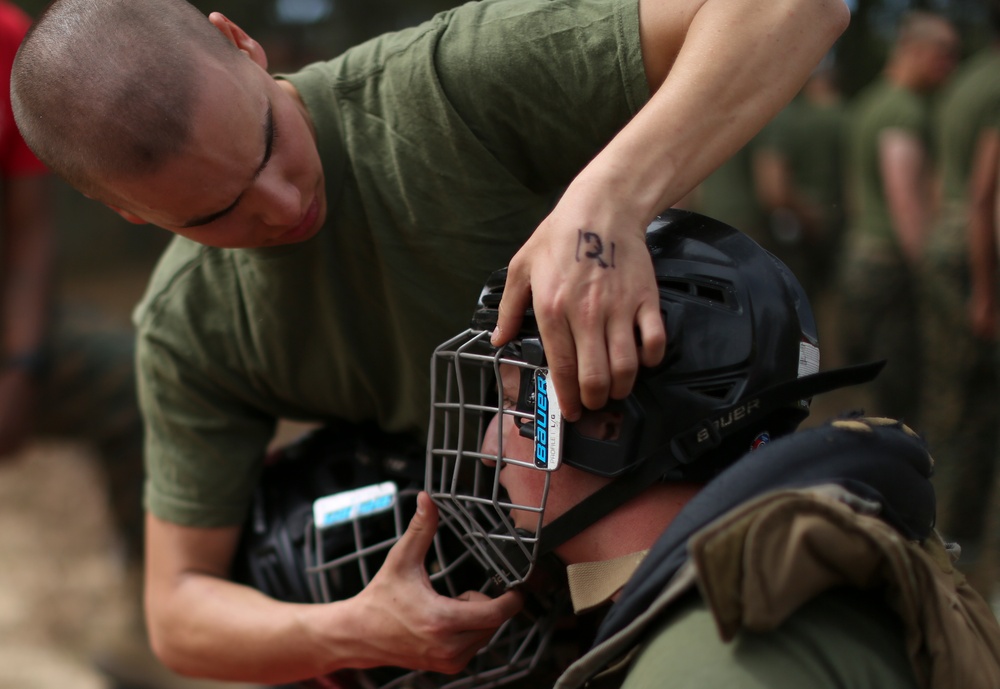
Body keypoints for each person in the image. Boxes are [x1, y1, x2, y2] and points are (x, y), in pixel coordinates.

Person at [10, 0, 849, 684]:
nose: (280, 201)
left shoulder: (450, 87)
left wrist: (609, 197)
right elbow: (180, 612)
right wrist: (357, 627)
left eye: (267, 139)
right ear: (129, 211)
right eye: (214, 212)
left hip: (686, 509)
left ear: (241, 43)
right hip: (497, 593)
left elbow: (798, 9)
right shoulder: (191, 325)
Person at [427, 209, 1000, 689]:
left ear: (609, 426)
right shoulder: (778, 565)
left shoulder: (711, 656)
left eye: (512, 404)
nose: (487, 448)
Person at [1, 2, 156, 686]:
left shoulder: (8, 38)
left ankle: (156, 625)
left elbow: (32, 229)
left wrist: (21, 365)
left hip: (7, 331)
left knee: (136, 379)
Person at [837, 11, 959, 425]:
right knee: (902, 386)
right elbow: (906, 200)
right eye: (944, 53)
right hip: (891, 264)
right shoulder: (903, 111)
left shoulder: (870, 101)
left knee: (881, 377)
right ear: (915, 50)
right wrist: (929, 271)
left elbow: (855, 191)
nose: (950, 65)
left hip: (864, 255)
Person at [920, 2, 1000, 600]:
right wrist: (986, 288)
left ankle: (947, 529)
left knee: (952, 396)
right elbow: (984, 197)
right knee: (970, 408)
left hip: (950, 245)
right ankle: (955, 536)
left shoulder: (968, 78)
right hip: (976, 254)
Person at [753, 56, 847, 306]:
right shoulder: (846, 116)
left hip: (797, 228)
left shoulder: (785, 119)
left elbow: (774, 190)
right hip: (839, 226)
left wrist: (805, 215)